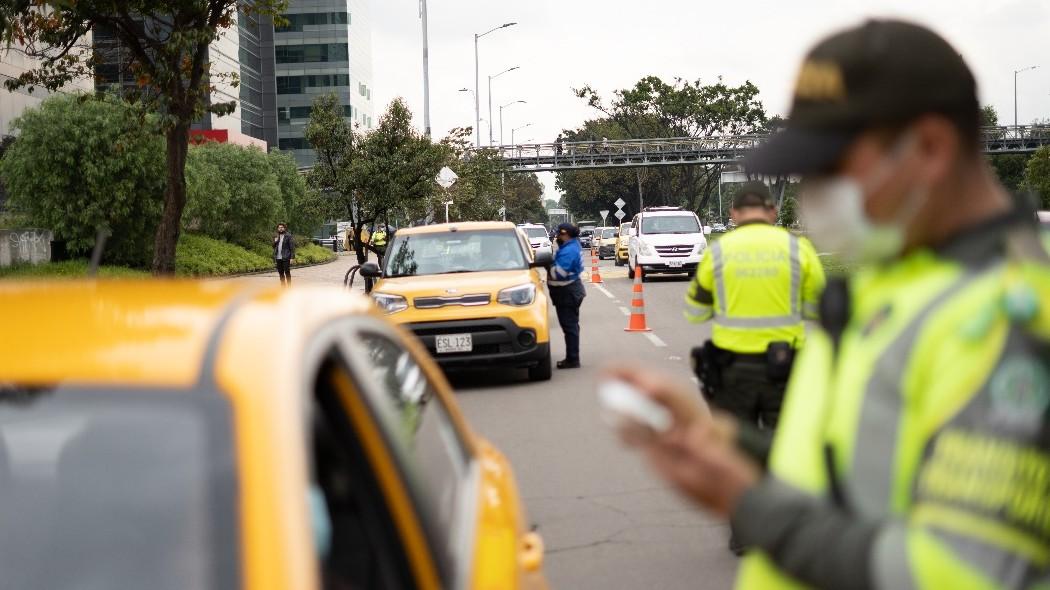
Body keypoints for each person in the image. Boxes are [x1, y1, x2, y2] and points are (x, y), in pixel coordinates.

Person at [613, 20, 1050, 589]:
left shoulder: (1010, 315)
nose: (814, 191)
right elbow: (858, 480)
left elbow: (957, 572)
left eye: (832, 168)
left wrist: (747, 502)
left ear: (931, 148)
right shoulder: (899, 278)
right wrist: (727, 445)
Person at [683, 180, 825, 553]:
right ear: (772, 212)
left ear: (733, 214)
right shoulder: (798, 249)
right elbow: (818, 307)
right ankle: (788, 531)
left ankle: (744, 535)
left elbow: (695, 311)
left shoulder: (718, 252)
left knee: (736, 452)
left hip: (733, 371)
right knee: (789, 450)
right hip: (787, 367)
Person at [548, 223, 586, 369]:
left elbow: (559, 273)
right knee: (572, 325)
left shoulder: (569, 250)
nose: (557, 237)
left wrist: (548, 265)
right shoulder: (571, 246)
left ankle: (572, 359)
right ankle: (572, 357)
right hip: (570, 291)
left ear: (566, 234)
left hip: (567, 292)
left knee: (569, 326)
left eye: (559, 234)